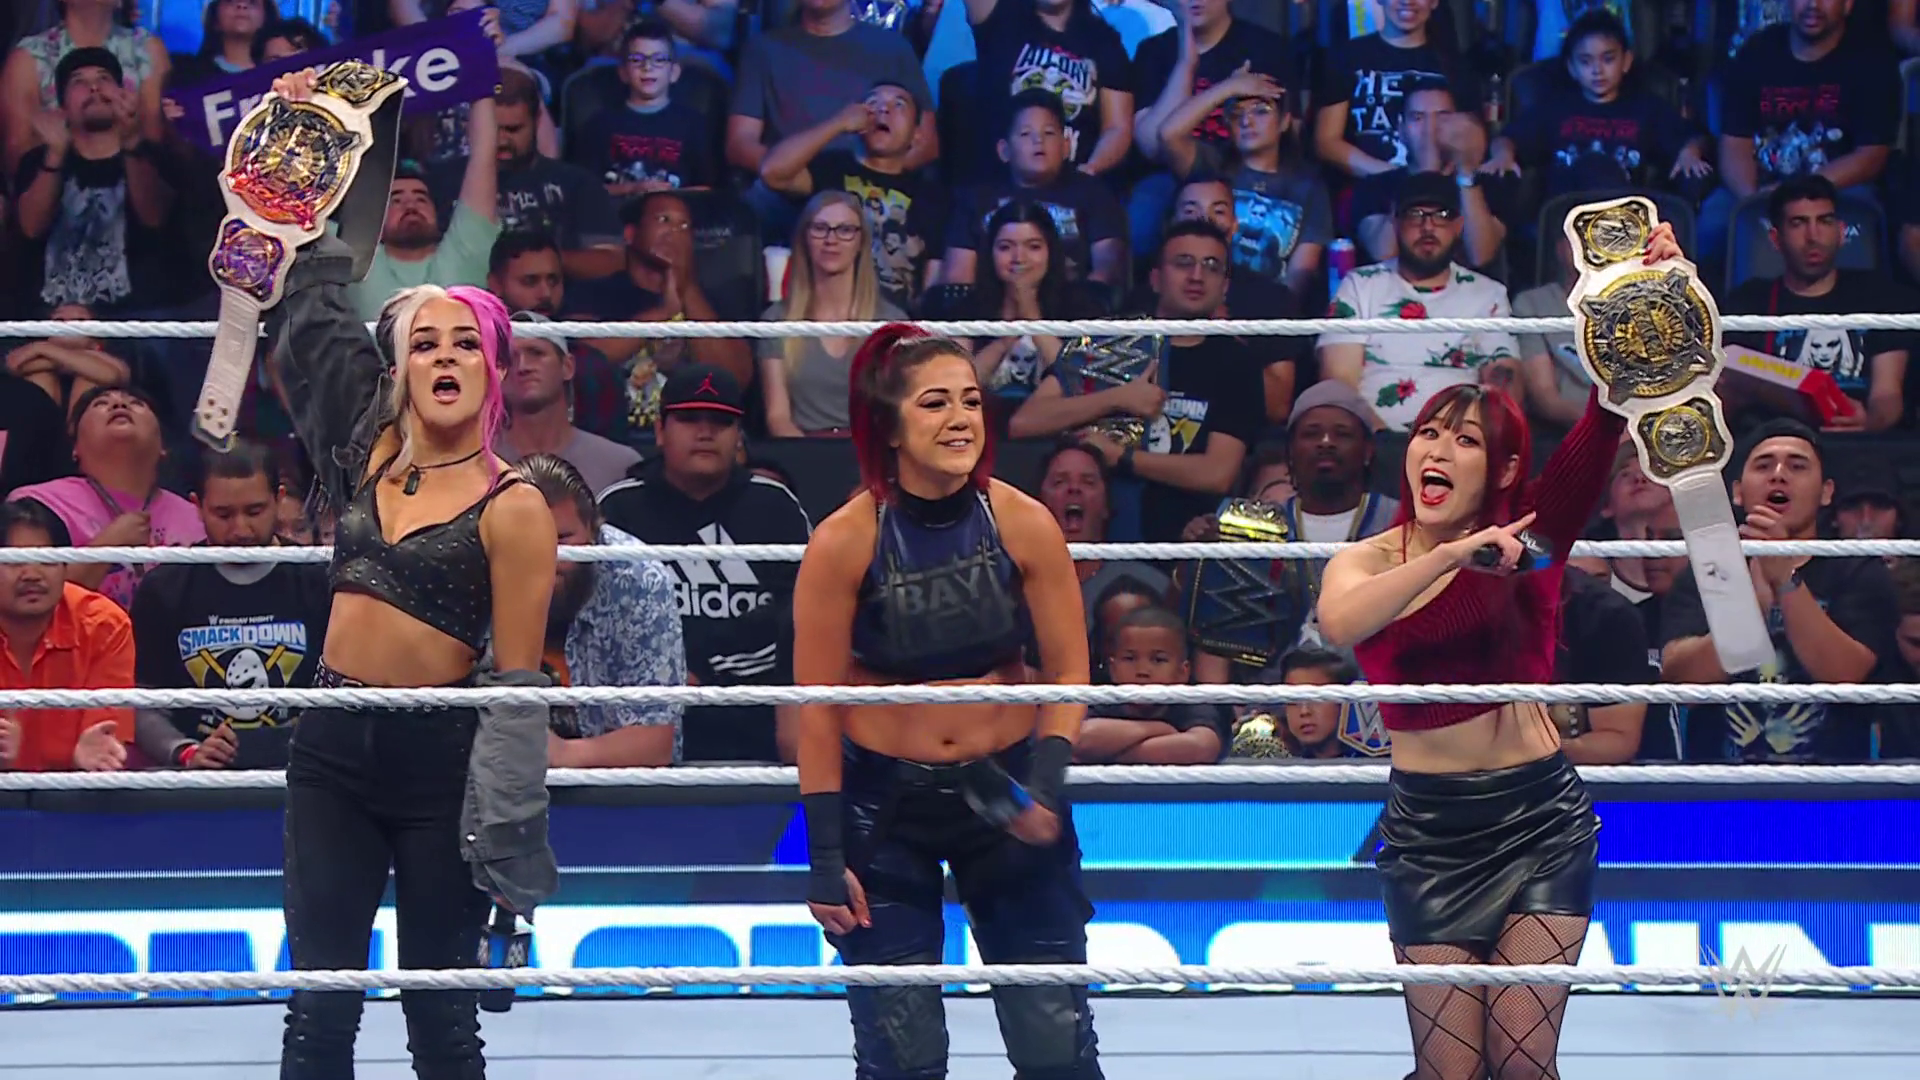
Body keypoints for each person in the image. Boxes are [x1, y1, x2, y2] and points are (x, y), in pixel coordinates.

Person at [1314, 222, 1684, 1079]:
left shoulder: (1533, 543)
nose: (1438, 449)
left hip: (1539, 818)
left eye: (1466, 439)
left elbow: (1600, 428)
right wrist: (1451, 557)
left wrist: (1642, 294)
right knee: (1450, 1072)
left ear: (1505, 471)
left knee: (1521, 1064)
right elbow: (1342, 625)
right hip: (1428, 830)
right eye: (1429, 432)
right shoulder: (1365, 561)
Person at [261, 67, 559, 1080]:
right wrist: (314, 138)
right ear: (401, 366)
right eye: (424, 341)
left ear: (493, 367)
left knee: (441, 1021)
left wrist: (510, 835)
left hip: (441, 765)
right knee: (319, 1011)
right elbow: (309, 308)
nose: (444, 356)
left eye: (464, 343)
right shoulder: (362, 449)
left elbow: (517, 686)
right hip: (331, 749)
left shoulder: (516, 505)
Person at [791, 323, 1100, 1079]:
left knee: (1054, 1045)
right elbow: (817, 708)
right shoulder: (843, 541)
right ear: (890, 426)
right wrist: (826, 855)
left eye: (970, 401)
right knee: (901, 1056)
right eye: (935, 403)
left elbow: (1069, 672)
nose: (960, 419)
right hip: (885, 807)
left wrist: (1045, 789)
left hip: (1007, 792)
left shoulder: (1023, 521)